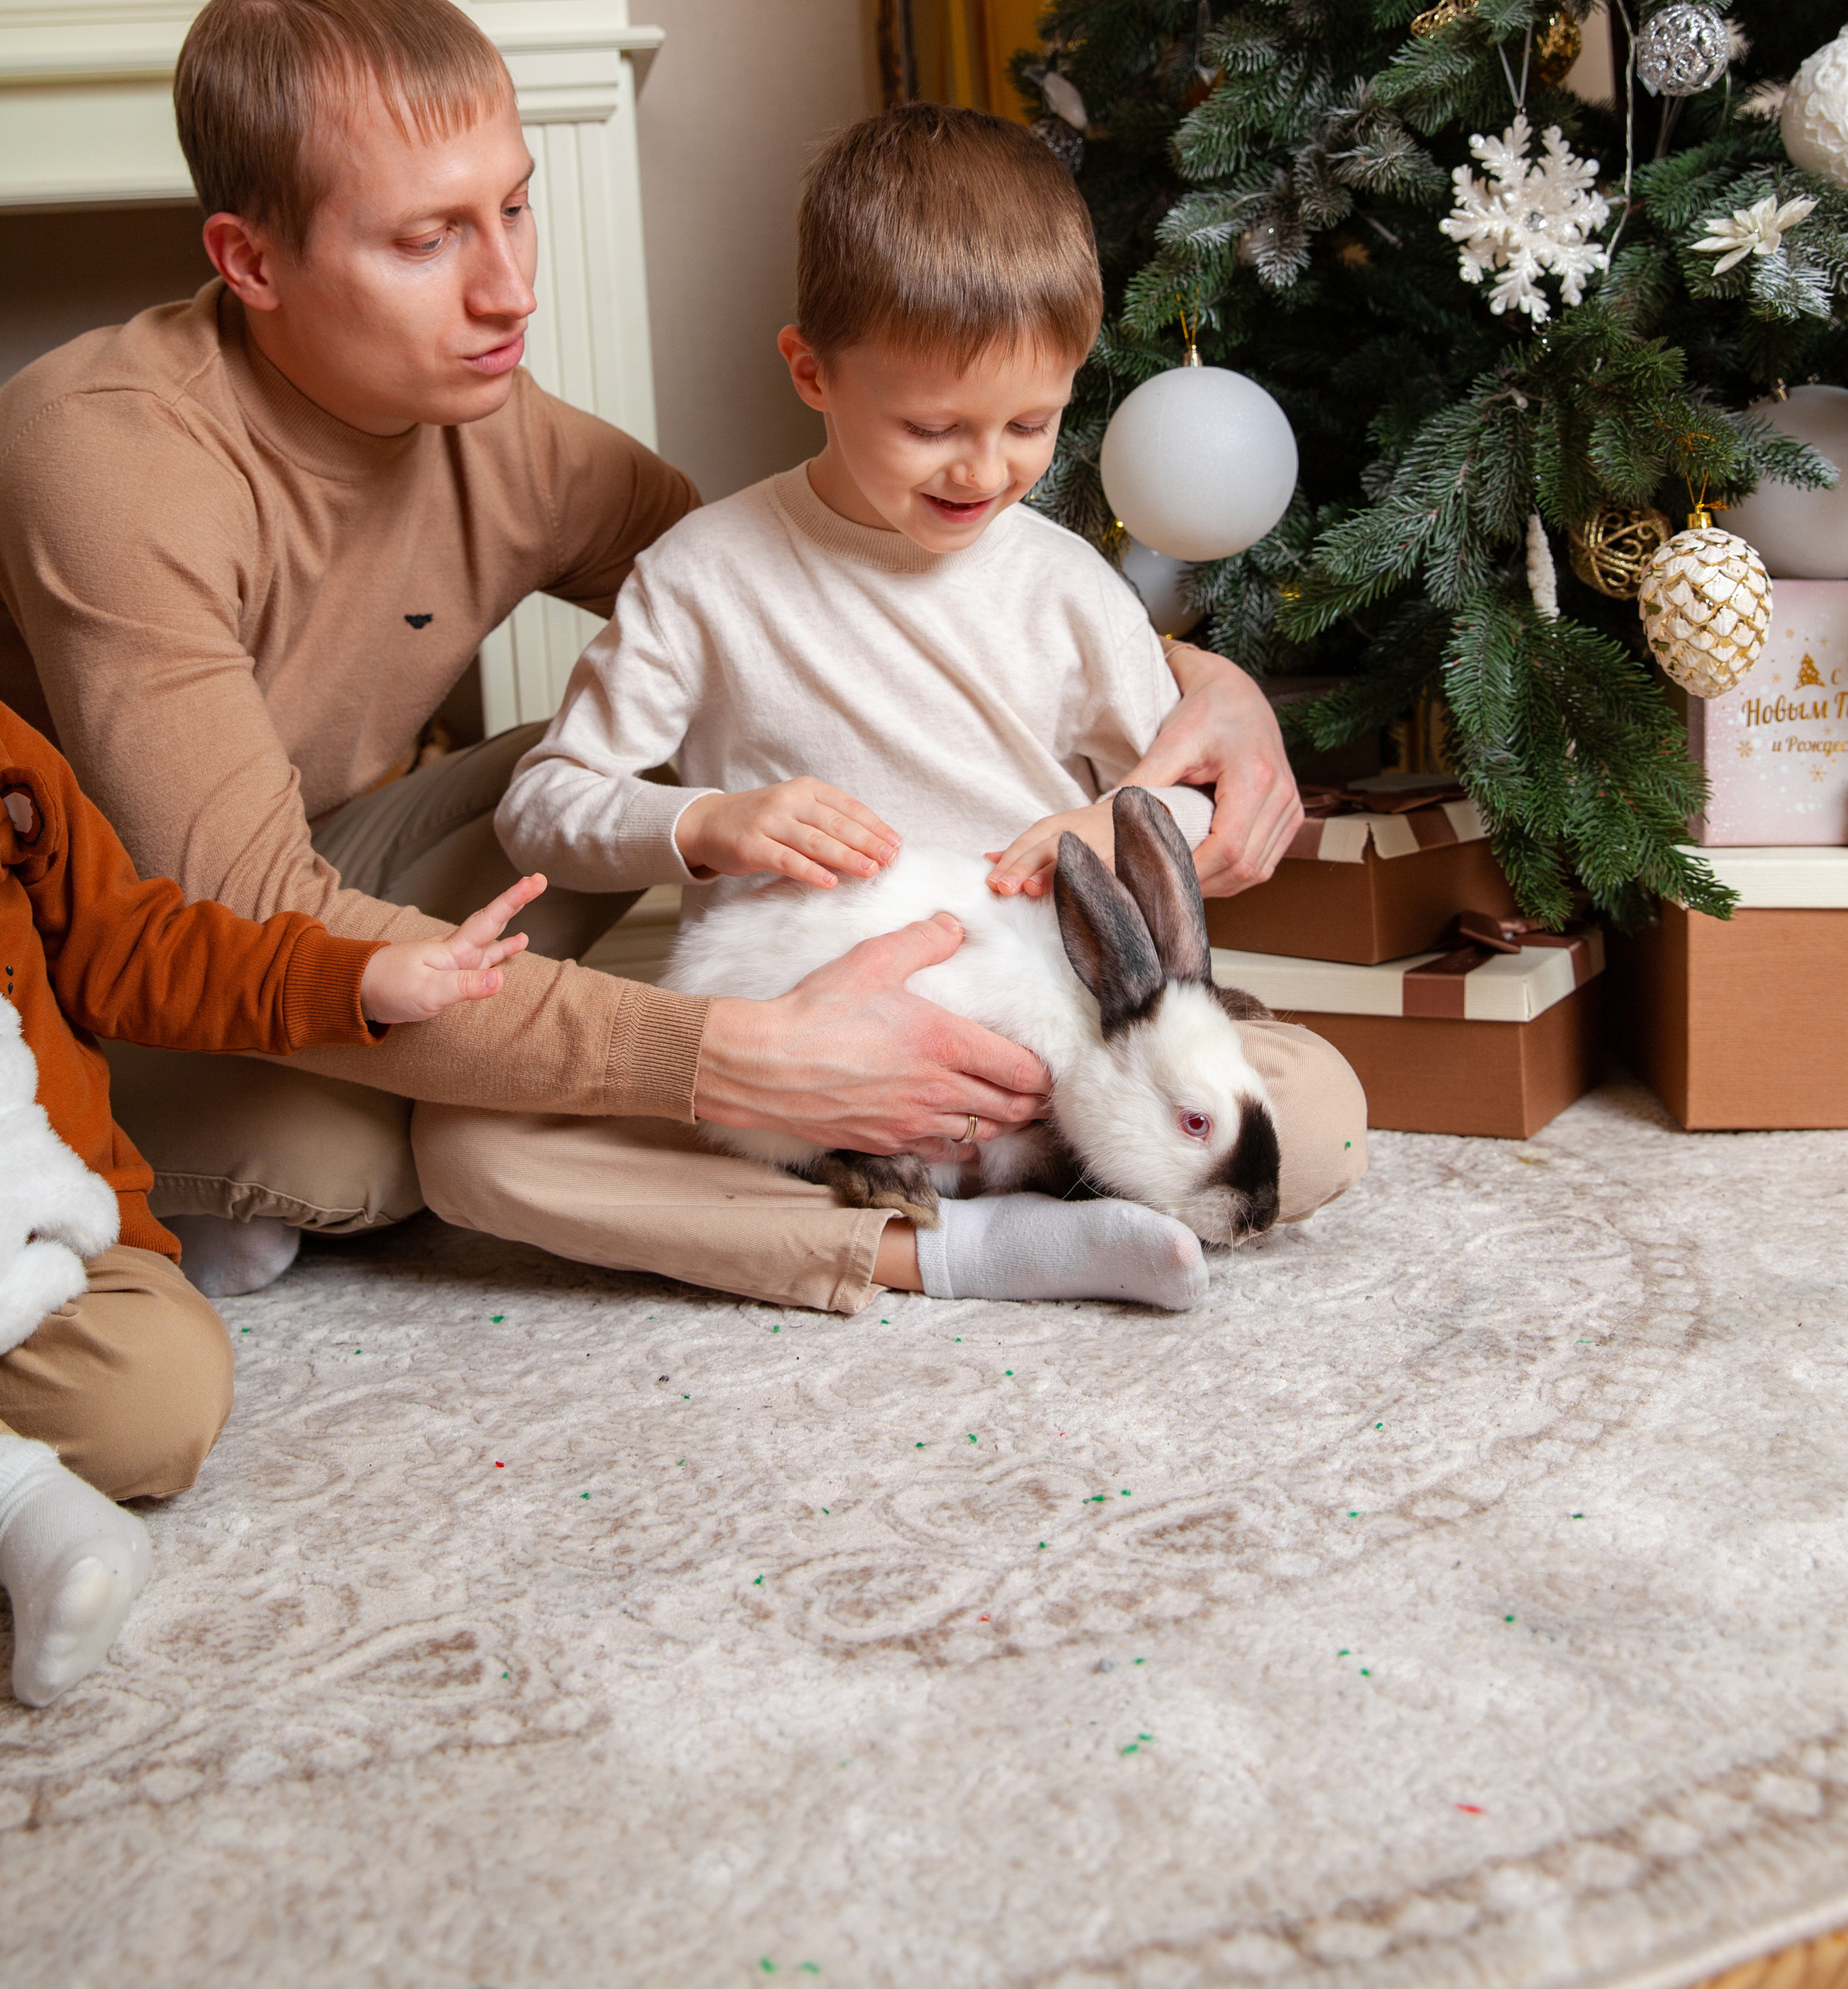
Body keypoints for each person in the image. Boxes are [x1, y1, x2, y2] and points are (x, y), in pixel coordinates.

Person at [0, 0, 1305, 1319]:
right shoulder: (109, 462)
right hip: (52, 943)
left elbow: (802, 595)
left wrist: (1209, 683)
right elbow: (233, 903)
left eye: (515, 208)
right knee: (354, 1158)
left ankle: (739, 1111)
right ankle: (879, 1211)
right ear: (250, 260)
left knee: (576, 796)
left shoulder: (492, 424)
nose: (510, 291)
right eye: (427, 240)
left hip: (326, 851)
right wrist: (724, 1056)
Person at [487, 106, 1367, 1309]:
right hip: (813, 1061)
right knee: (475, 1148)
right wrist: (706, 825)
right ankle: (964, 1245)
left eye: (1030, 426)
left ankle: (993, 1187)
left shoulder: (1065, 586)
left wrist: (1113, 818)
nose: (984, 472)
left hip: (1052, 1052)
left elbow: (1181, 793)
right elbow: (541, 806)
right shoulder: (705, 575)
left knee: (1318, 1118)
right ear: (811, 372)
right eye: (931, 428)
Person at [0, 278, 548, 1700]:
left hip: (18, 1239)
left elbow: (137, 942)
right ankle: (4, 1511)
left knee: (166, 1394)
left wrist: (364, 976)